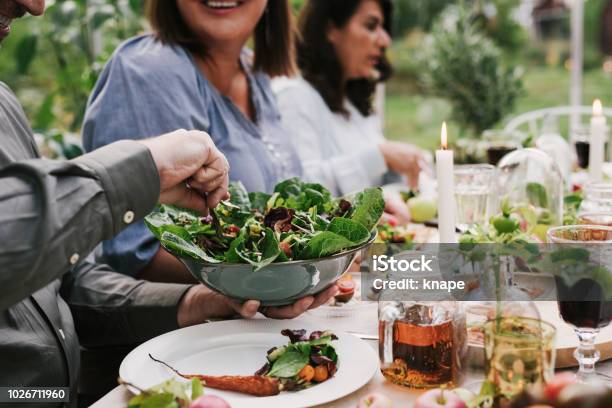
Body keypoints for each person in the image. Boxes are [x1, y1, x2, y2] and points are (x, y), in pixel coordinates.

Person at [0, 0, 336, 405]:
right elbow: (127, 251)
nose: (36, 6)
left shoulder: (4, 107)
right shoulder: (149, 69)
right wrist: (144, 170)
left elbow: (60, 285)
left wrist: (200, 301)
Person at [82, 0, 304, 283]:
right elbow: (137, 255)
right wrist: (279, 275)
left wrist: (349, 243)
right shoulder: (151, 68)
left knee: (378, 283)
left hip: (264, 319)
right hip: (189, 325)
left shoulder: (253, 71)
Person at [274, 0, 425, 224]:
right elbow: (296, 192)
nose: (385, 40)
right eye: (371, 26)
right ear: (330, 29)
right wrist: (380, 156)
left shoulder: (353, 102)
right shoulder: (293, 96)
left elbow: (382, 181)